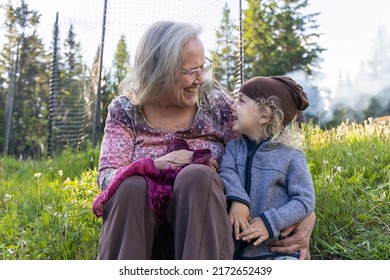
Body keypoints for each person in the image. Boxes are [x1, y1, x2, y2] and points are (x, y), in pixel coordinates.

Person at [94, 20, 316, 260]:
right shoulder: (125, 110)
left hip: (207, 234)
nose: (200, 78)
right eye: (191, 71)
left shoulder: (214, 102)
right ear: (159, 71)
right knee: (130, 186)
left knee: (197, 175)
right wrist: (158, 165)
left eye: (203, 67)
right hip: (140, 232)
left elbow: (258, 156)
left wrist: (305, 214)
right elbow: (107, 178)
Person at [219, 76, 316, 260]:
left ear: (264, 115)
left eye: (241, 101)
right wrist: (238, 199)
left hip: (277, 251)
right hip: (239, 255)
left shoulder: (291, 156)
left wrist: (270, 222)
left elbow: (305, 199)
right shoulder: (233, 148)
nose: (232, 106)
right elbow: (226, 172)